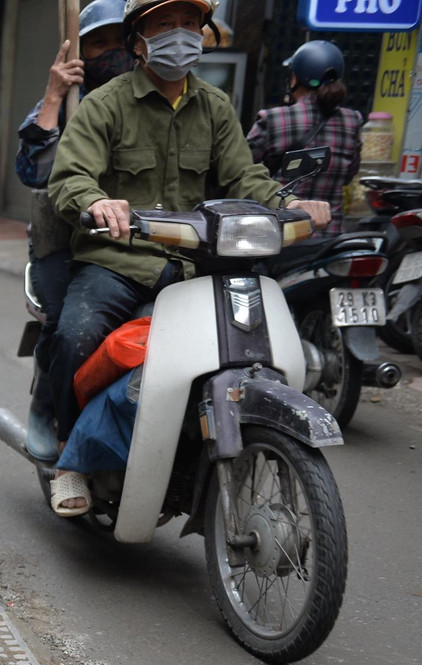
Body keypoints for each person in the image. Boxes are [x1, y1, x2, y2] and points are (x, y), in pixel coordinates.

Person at [47, 0, 332, 515]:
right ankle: (70, 459)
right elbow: (71, 178)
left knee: (238, 351)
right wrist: (97, 202)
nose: (179, 34)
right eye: (164, 24)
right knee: (75, 335)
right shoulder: (104, 104)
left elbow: (245, 177)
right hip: (119, 261)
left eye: (188, 24)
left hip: (196, 267)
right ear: (138, 40)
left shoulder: (215, 106)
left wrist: (290, 205)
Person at [15, 0, 137, 462]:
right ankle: (48, 406)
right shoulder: (69, 102)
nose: (111, 52)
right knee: (67, 324)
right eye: (98, 44)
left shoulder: (152, 99)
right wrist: (54, 96)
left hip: (137, 241)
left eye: (119, 41)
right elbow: (32, 172)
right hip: (64, 239)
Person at [246, 40, 362, 236]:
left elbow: (241, 172)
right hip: (328, 237)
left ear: (294, 78)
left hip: (280, 234)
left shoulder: (273, 119)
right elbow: (349, 175)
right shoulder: (353, 121)